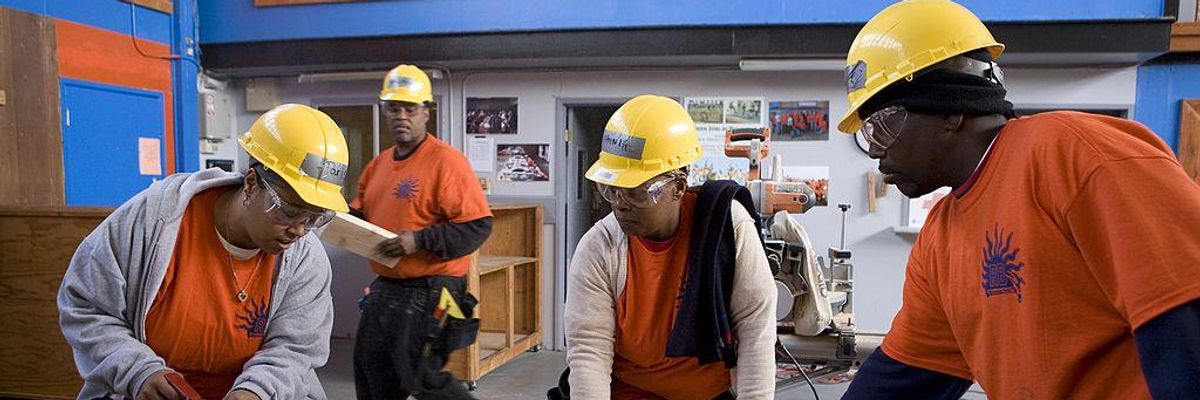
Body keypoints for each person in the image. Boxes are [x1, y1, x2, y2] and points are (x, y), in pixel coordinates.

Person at [838, 1, 1200, 399]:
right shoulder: (941, 237)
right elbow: (904, 377)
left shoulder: (1076, 156)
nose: (875, 152)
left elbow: (1185, 323)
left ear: (952, 109)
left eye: (883, 126)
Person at [58, 104, 350, 400]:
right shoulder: (152, 222)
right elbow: (86, 306)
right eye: (287, 211)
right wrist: (136, 371)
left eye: (315, 218)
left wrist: (256, 391)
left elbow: (296, 347)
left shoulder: (305, 259)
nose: (300, 230)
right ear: (251, 183)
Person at [553, 95, 777, 400]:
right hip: (629, 390)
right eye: (612, 190)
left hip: (706, 393)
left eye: (636, 193)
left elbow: (755, 331)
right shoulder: (599, 247)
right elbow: (589, 351)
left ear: (679, 187)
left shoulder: (727, 229)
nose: (620, 205)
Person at [351, 64, 492, 400]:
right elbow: (358, 213)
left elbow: (477, 227)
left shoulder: (446, 162)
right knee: (371, 375)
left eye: (410, 109)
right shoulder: (379, 164)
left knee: (422, 378)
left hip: (432, 290)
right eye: (394, 108)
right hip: (386, 288)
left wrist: (419, 240)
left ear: (426, 112)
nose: (402, 116)